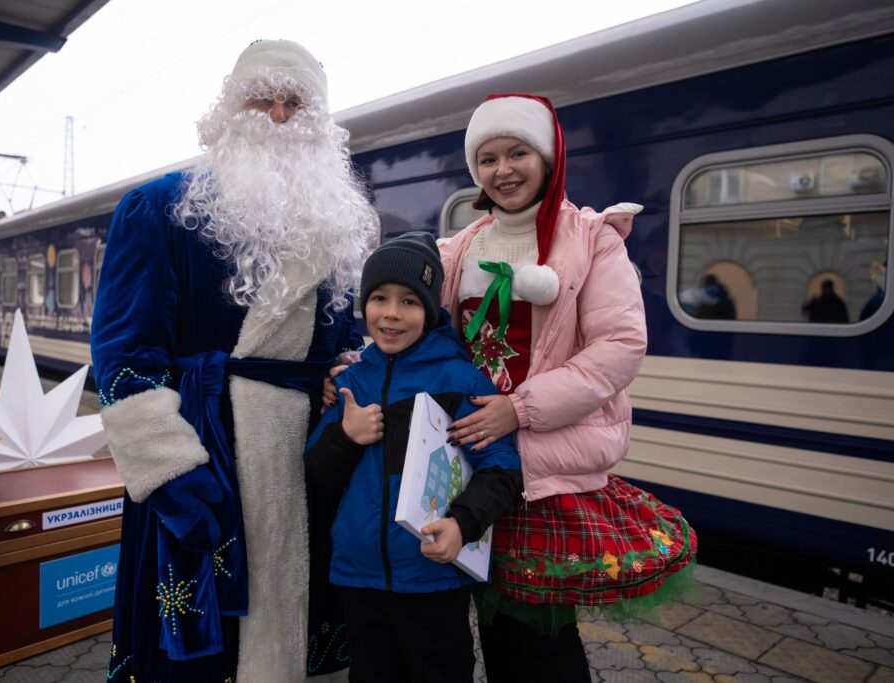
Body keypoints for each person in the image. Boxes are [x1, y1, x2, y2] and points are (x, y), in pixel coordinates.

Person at [90, 39, 377, 682]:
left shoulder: (335, 223)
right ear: (228, 112)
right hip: (204, 453)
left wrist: (342, 376)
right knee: (200, 644)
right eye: (261, 99)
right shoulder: (159, 207)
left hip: (303, 462)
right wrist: (172, 473)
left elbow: (339, 344)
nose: (277, 115)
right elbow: (124, 353)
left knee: (290, 616)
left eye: (294, 103)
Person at [440, 93, 697, 681]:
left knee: (540, 639)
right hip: (476, 459)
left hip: (543, 462)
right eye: (487, 158)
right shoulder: (461, 247)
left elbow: (619, 346)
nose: (502, 170)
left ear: (548, 157)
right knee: (495, 630)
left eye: (517, 153)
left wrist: (520, 410)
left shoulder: (592, 238)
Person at [306, 233, 522, 682]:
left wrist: (463, 524)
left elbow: (502, 467)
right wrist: (346, 437)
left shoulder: (460, 379)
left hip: (433, 574)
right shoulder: (352, 382)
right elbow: (318, 473)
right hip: (359, 576)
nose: (391, 313)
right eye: (379, 298)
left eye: (409, 302)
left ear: (430, 311)